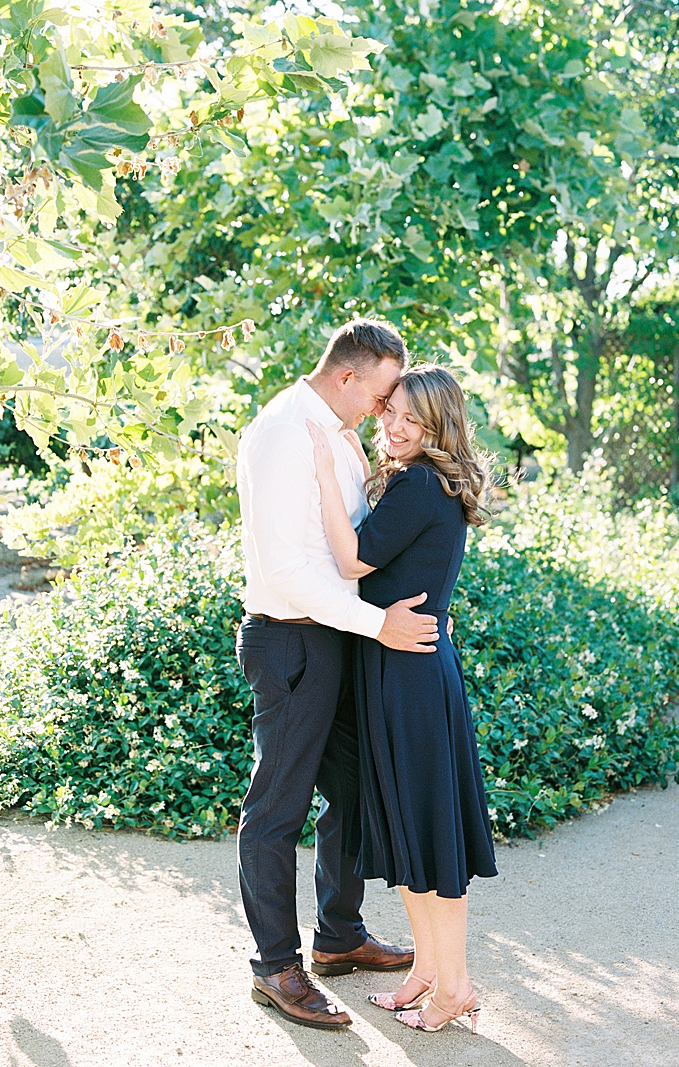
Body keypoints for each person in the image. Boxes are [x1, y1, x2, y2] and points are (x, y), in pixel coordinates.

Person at [233, 319, 440, 1031]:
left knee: (352, 790)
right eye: (383, 395)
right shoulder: (285, 432)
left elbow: (351, 544)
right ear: (350, 376)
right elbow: (292, 570)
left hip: (336, 638)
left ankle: (339, 934)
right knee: (276, 809)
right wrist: (381, 624)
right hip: (291, 641)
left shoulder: (337, 433)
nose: (386, 411)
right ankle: (275, 965)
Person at [306, 363, 498, 1033]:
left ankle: (456, 984)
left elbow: (356, 560)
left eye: (408, 419)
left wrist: (327, 475)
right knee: (417, 837)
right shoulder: (424, 481)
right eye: (389, 412)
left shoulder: (419, 481)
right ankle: (427, 973)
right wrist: (359, 463)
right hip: (405, 668)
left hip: (409, 676)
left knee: (430, 837)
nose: (393, 424)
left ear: (437, 426)